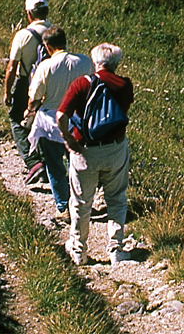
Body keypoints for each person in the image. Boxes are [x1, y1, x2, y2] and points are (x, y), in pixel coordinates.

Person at [58, 42, 135, 265]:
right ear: (116, 63)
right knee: (116, 198)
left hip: (84, 149)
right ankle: (116, 250)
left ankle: (78, 250)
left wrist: (68, 139)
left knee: (81, 201)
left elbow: (62, 115)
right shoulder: (125, 85)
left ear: (95, 61)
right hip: (115, 148)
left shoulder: (82, 84)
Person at [24, 27, 91, 218]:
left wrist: (30, 109)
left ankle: (64, 205)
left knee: (54, 165)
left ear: (47, 45)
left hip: (51, 120)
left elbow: (34, 96)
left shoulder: (46, 66)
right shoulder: (85, 61)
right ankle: (80, 203)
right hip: (77, 118)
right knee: (77, 164)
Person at [3, 0, 53, 173]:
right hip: (51, 82)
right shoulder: (55, 32)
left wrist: (7, 92)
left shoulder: (23, 35)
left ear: (29, 14)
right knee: (44, 121)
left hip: (26, 82)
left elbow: (11, 67)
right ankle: (48, 161)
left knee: (17, 119)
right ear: (46, 11)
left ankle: (33, 162)